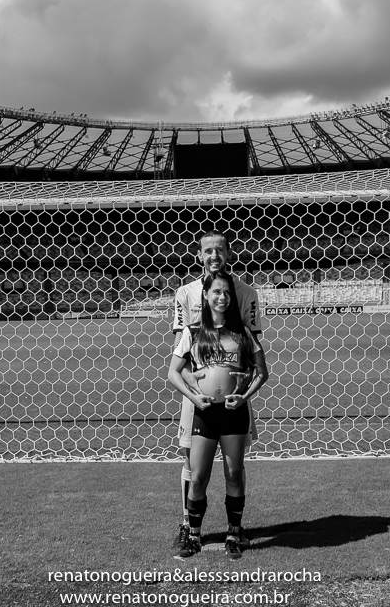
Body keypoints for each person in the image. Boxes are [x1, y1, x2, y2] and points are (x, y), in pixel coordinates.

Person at [169, 230, 266, 553]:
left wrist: (243, 388)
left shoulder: (246, 293)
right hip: (197, 396)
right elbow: (181, 352)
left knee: (233, 467)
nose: (214, 256)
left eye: (220, 250)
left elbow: (251, 350)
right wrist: (195, 389)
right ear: (199, 255)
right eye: (208, 251)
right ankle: (188, 526)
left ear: (228, 253)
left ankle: (233, 529)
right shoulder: (185, 293)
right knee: (192, 460)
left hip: (234, 395)